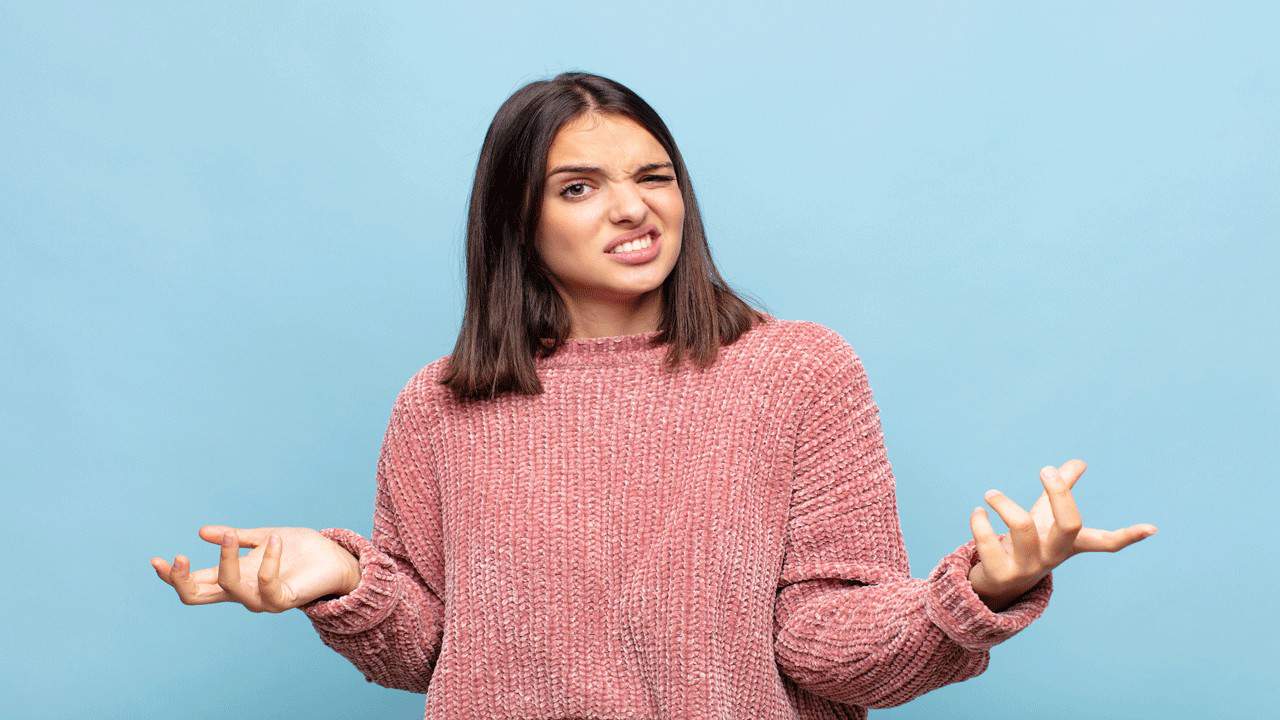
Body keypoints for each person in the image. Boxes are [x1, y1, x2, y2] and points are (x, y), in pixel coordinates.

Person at [150, 71, 1157, 719]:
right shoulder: (441, 404)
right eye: (578, 186)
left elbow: (824, 644)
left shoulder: (796, 371)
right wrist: (341, 577)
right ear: (516, 222)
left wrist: (976, 593)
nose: (633, 208)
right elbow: (434, 654)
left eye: (654, 176)